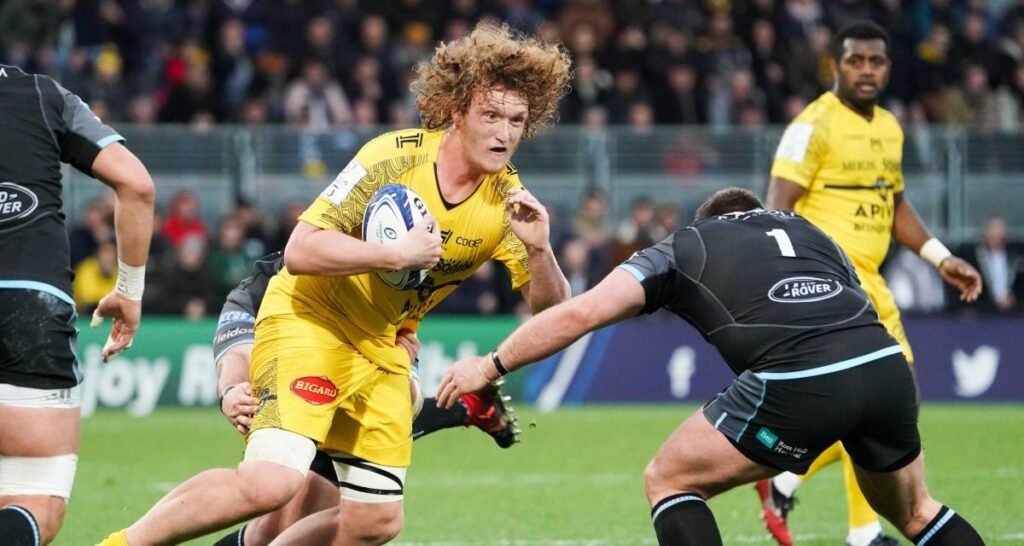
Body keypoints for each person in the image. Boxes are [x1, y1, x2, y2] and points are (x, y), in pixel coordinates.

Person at [99, 22, 572, 546]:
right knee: (271, 486)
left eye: (517, 120)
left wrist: (539, 249)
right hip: (312, 323)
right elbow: (300, 251)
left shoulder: (508, 202)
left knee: (376, 522)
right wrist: (394, 254)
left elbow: (555, 313)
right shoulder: (392, 158)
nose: (505, 133)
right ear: (458, 110)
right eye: (491, 115)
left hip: (382, 348)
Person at [436, 188, 986, 546]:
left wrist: (491, 364)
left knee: (670, 478)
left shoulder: (688, 243)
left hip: (799, 378)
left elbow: (579, 313)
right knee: (916, 514)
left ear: (710, 221)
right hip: (886, 365)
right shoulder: (812, 233)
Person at [758, 21, 983, 546]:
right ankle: (859, 531)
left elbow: (894, 204)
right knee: (888, 403)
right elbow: (776, 208)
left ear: (887, 68)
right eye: (855, 60)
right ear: (835, 66)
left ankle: (791, 480)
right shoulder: (812, 125)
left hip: (872, 284)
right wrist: (795, 281)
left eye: (875, 61)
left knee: (886, 407)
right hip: (834, 284)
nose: (866, 70)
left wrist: (940, 257)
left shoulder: (889, 127)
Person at [209, 252, 520, 546]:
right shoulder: (277, 282)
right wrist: (231, 390)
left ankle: (466, 407)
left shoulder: (394, 293)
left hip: (362, 338)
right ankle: (467, 407)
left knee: (295, 521)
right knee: (274, 520)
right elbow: (237, 354)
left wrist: (398, 363)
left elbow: (400, 405)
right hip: (294, 345)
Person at [0, 64, 155, 545]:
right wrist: (129, 288)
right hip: (29, 303)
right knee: (34, 496)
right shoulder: (40, 93)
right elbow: (136, 184)